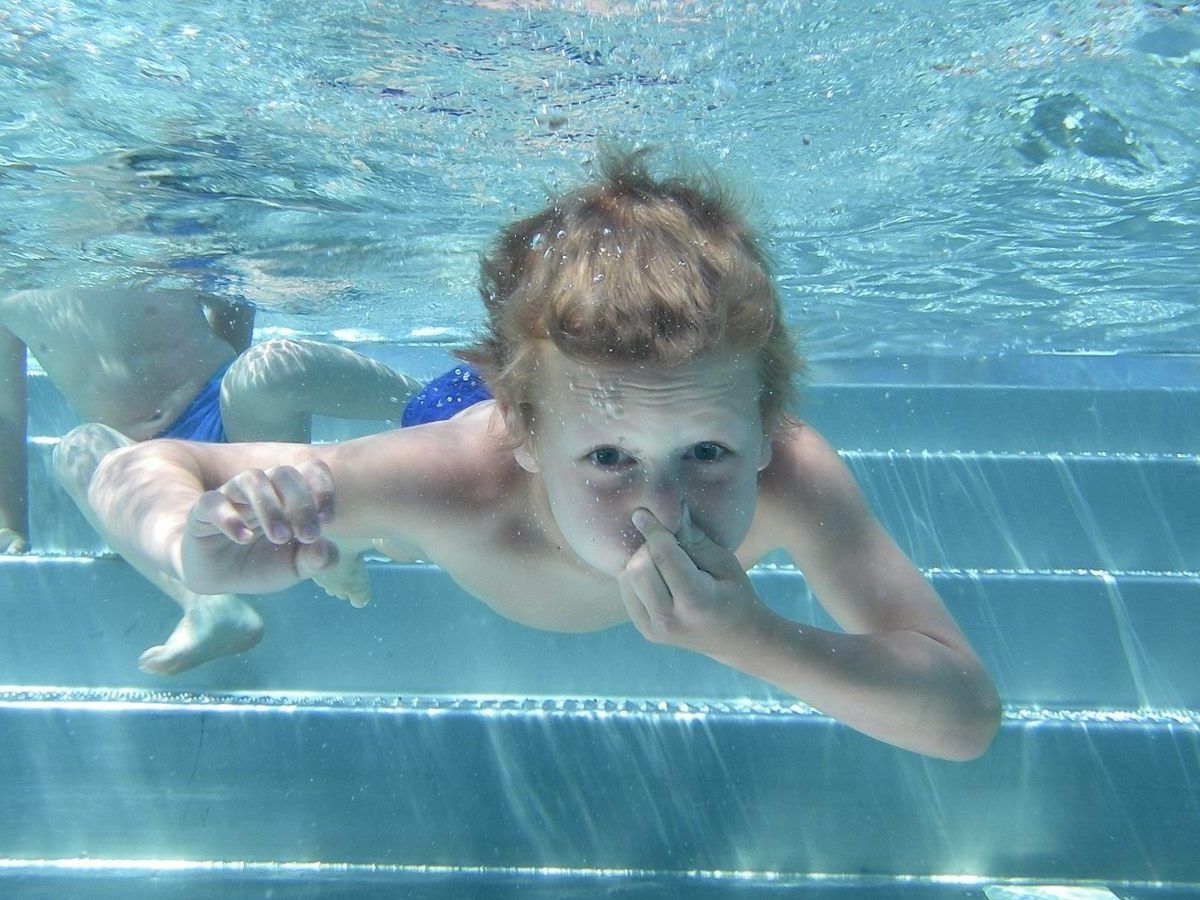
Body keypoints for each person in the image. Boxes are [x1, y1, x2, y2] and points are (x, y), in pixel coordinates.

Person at [84, 152, 1000, 759]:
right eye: (608, 460)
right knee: (372, 511)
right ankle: (343, 519)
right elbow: (133, 468)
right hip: (461, 421)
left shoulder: (790, 475)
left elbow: (964, 716)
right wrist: (189, 547)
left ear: (766, 426)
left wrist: (753, 638)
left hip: (541, 405)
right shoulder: (452, 478)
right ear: (524, 437)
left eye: (708, 451)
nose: (664, 509)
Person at [0, 285, 421, 672]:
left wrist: (231, 409)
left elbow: (232, 297)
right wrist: (9, 523)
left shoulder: (152, 231)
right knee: (78, 447)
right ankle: (208, 604)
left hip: (226, 426)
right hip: (141, 472)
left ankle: (437, 413)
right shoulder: (9, 280)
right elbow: (5, 416)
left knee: (263, 367)